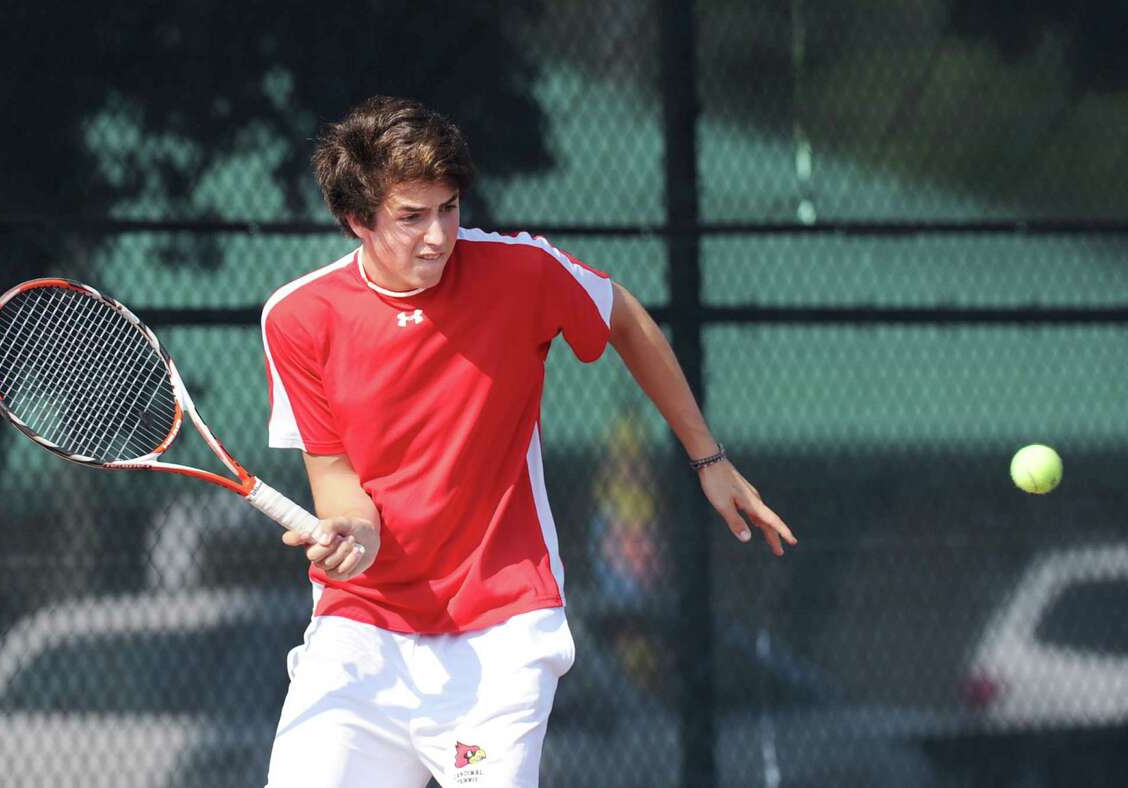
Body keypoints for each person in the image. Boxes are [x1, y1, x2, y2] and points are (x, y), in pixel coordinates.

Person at [260, 95, 796, 788]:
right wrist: (355, 533)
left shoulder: (521, 272)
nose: (438, 236)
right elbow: (334, 476)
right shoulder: (298, 318)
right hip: (360, 632)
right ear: (356, 221)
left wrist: (708, 457)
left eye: (449, 207)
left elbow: (624, 317)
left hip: (500, 636)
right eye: (411, 217)